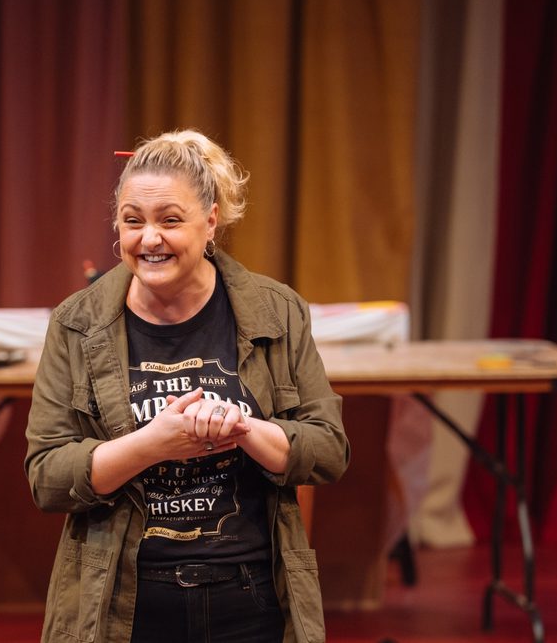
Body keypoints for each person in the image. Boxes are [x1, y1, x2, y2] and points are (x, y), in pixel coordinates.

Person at [25, 129, 349, 643]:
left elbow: (328, 450)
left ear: (211, 221)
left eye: (170, 220)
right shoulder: (76, 323)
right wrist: (154, 444)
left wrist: (243, 427)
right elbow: (47, 476)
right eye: (133, 221)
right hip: (122, 605)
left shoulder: (278, 311)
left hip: (252, 597)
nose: (149, 239)